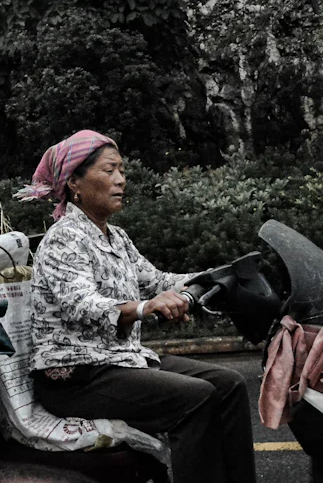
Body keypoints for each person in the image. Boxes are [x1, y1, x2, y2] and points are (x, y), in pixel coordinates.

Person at [15, 130, 257, 483]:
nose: (120, 180)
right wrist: (145, 307)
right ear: (74, 184)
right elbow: (85, 304)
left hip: (120, 361)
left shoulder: (117, 237)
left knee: (230, 385)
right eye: (109, 170)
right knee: (197, 398)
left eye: (122, 171)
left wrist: (215, 276)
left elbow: (157, 280)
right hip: (76, 377)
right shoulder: (64, 238)